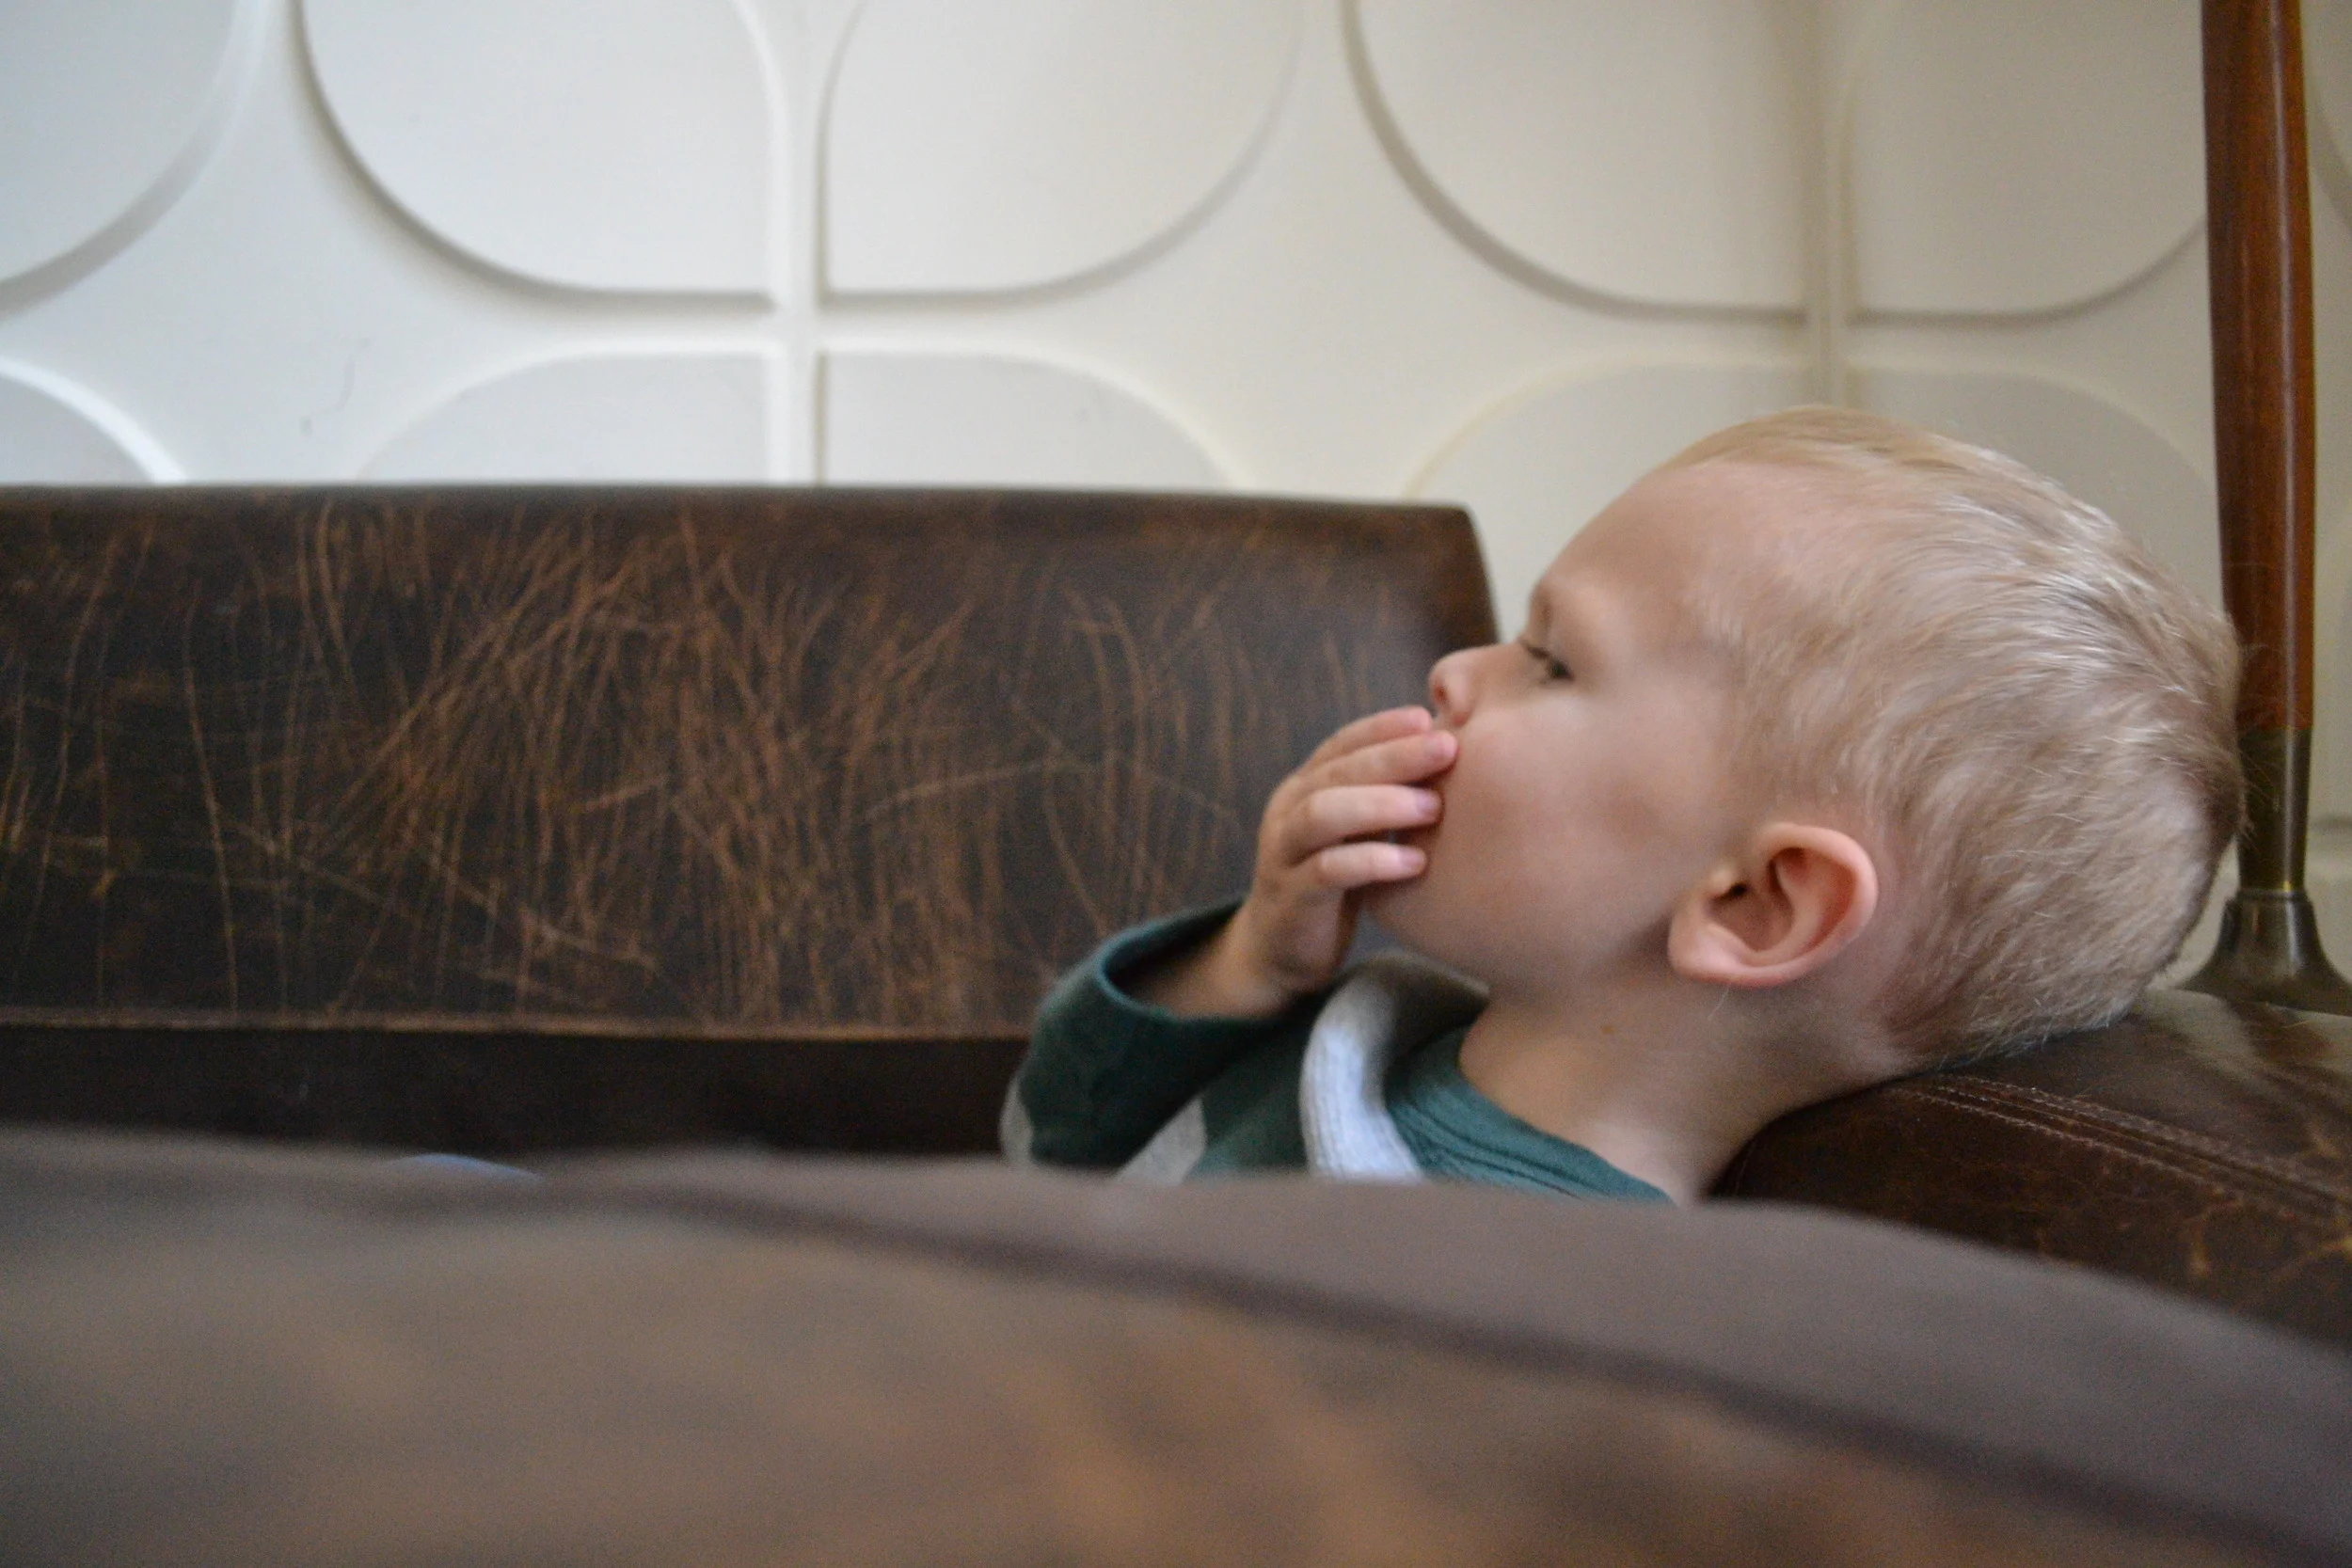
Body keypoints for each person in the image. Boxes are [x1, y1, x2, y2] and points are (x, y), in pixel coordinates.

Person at [1000, 407, 2243, 1203]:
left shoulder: (1553, 1315)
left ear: (1755, 903)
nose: (1455, 671)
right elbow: (1052, 1144)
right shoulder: (1374, 1033)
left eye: (1550, 660)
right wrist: (1246, 964)